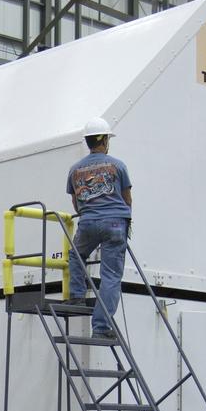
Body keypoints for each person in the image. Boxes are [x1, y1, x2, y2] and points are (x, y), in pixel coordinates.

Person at [65, 117, 133, 339]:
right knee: (111, 276)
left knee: (76, 255)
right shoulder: (118, 165)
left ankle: (76, 294)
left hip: (87, 223)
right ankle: (101, 327)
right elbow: (127, 198)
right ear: (104, 139)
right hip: (114, 223)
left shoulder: (74, 170)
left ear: (87, 141)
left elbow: (76, 202)